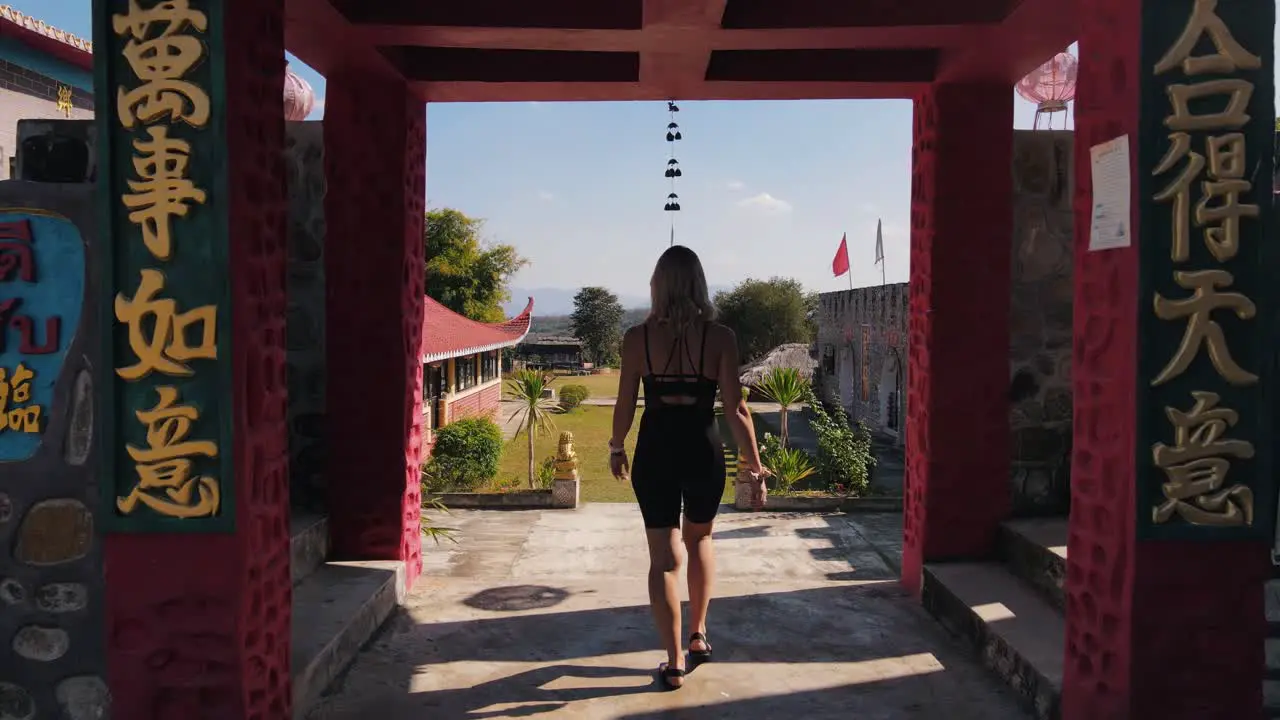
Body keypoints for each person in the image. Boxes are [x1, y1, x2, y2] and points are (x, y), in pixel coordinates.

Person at [609, 245, 770, 690]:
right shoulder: (720, 337)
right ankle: (698, 634)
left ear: (657, 284)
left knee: (662, 559)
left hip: (656, 449)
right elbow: (736, 408)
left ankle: (675, 659)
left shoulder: (635, 338)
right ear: (699, 283)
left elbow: (626, 403)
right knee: (700, 536)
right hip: (703, 447)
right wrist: (754, 465)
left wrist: (616, 446)